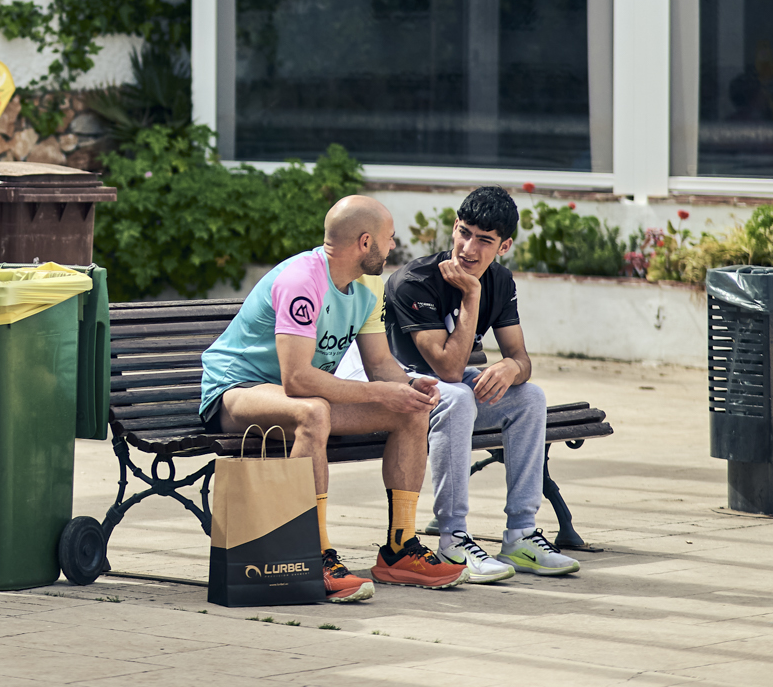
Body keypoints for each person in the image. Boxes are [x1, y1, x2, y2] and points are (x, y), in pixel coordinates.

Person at [200, 194, 467, 602]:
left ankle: (400, 550)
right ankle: (313, 555)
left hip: (299, 397)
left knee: (409, 413)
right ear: (365, 242)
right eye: (389, 238)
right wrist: (378, 392)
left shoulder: (369, 284)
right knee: (313, 412)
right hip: (236, 391)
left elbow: (380, 363)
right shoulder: (301, 281)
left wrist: (407, 388)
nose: (393, 246)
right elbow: (296, 379)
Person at [384, 186, 580, 581]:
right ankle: (453, 539)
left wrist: (510, 369)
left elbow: (521, 358)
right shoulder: (414, 281)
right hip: (399, 390)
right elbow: (447, 370)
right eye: (464, 232)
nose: (468, 248)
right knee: (457, 396)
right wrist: (471, 295)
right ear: (454, 227)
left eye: (484, 240)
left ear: (504, 246)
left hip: (447, 389)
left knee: (529, 397)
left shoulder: (501, 282)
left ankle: (521, 535)